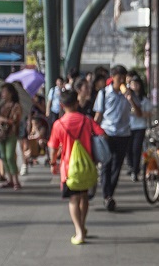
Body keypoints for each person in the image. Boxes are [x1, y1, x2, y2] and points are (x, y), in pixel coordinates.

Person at [49, 89, 105, 244]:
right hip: (87, 166)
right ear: (77, 102)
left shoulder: (58, 124)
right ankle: (83, 225)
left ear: (61, 105)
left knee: (73, 199)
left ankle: (79, 232)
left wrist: (53, 163)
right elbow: (102, 134)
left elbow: (53, 147)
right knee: (84, 197)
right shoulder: (87, 120)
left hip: (68, 169)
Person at [93, 64, 131, 211]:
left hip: (123, 133)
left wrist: (129, 97)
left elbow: (137, 110)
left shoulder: (128, 93)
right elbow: (99, 114)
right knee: (106, 165)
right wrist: (93, 130)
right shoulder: (104, 93)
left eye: (123, 77)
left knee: (117, 166)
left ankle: (110, 193)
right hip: (107, 133)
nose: (121, 80)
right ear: (113, 77)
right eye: (118, 77)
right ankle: (106, 195)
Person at [0, 83, 23, 190]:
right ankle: (10, 179)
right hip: (1, 134)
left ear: (10, 93)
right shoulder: (1, 105)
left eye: (4, 92)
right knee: (3, 156)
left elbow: (16, 120)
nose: (3, 94)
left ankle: (15, 180)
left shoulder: (16, 106)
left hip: (11, 133)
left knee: (10, 156)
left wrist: (3, 120)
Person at [125, 73, 151, 181]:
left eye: (136, 84)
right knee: (128, 149)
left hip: (140, 126)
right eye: (132, 84)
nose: (134, 86)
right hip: (128, 126)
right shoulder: (126, 97)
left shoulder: (144, 99)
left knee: (136, 149)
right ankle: (132, 167)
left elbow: (148, 113)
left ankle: (136, 170)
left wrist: (140, 113)